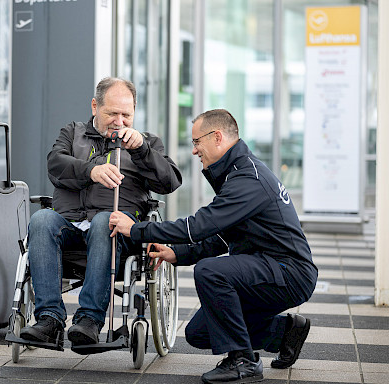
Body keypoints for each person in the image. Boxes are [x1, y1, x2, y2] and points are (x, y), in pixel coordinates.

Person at [110, 109, 318, 384]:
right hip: (267, 266)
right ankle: (285, 332)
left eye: (197, 142)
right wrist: (177, 253)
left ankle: (243, 362)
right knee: (199, 333)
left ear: (217, 137)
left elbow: (199, 226)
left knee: (211, 272)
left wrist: (136, 229)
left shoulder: (248, 179)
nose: (195, 150)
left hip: (288, 272)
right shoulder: (237, 172)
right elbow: (223, 235)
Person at [20, 77, 182, 348]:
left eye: (126, 114)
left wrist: (142, 150)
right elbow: (55, 165)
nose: (119, 121)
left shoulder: (148, 143)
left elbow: (170, 182)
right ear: (95, 106)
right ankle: (49, 319)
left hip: (119, 233)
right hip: (71, 227)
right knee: (41, 218)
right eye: (112, 113)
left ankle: (90, 320)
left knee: (104, 221)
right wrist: (90, 171)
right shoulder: (73, 132)